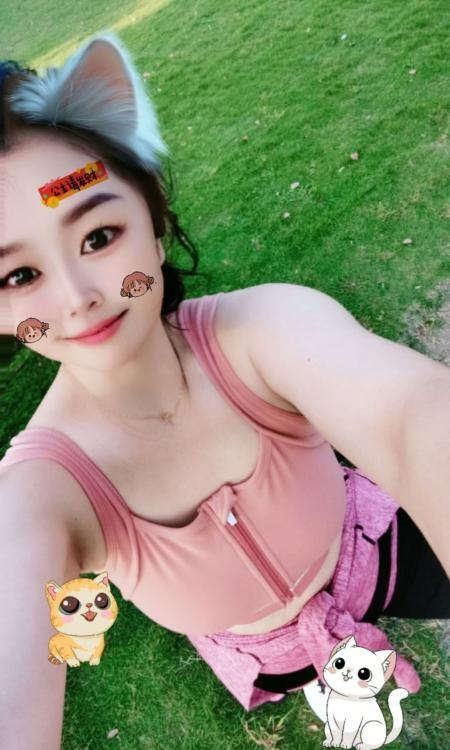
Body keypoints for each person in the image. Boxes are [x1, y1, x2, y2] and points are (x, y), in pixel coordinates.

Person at [0, 32, 449, 750]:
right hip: (270, 656)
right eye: (19, 276)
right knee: (325, 680)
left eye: (98, 236)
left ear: (152, 223)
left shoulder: (265, 328)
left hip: (379, 555)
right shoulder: (41, 489)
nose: (78, 298)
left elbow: (414, 419)